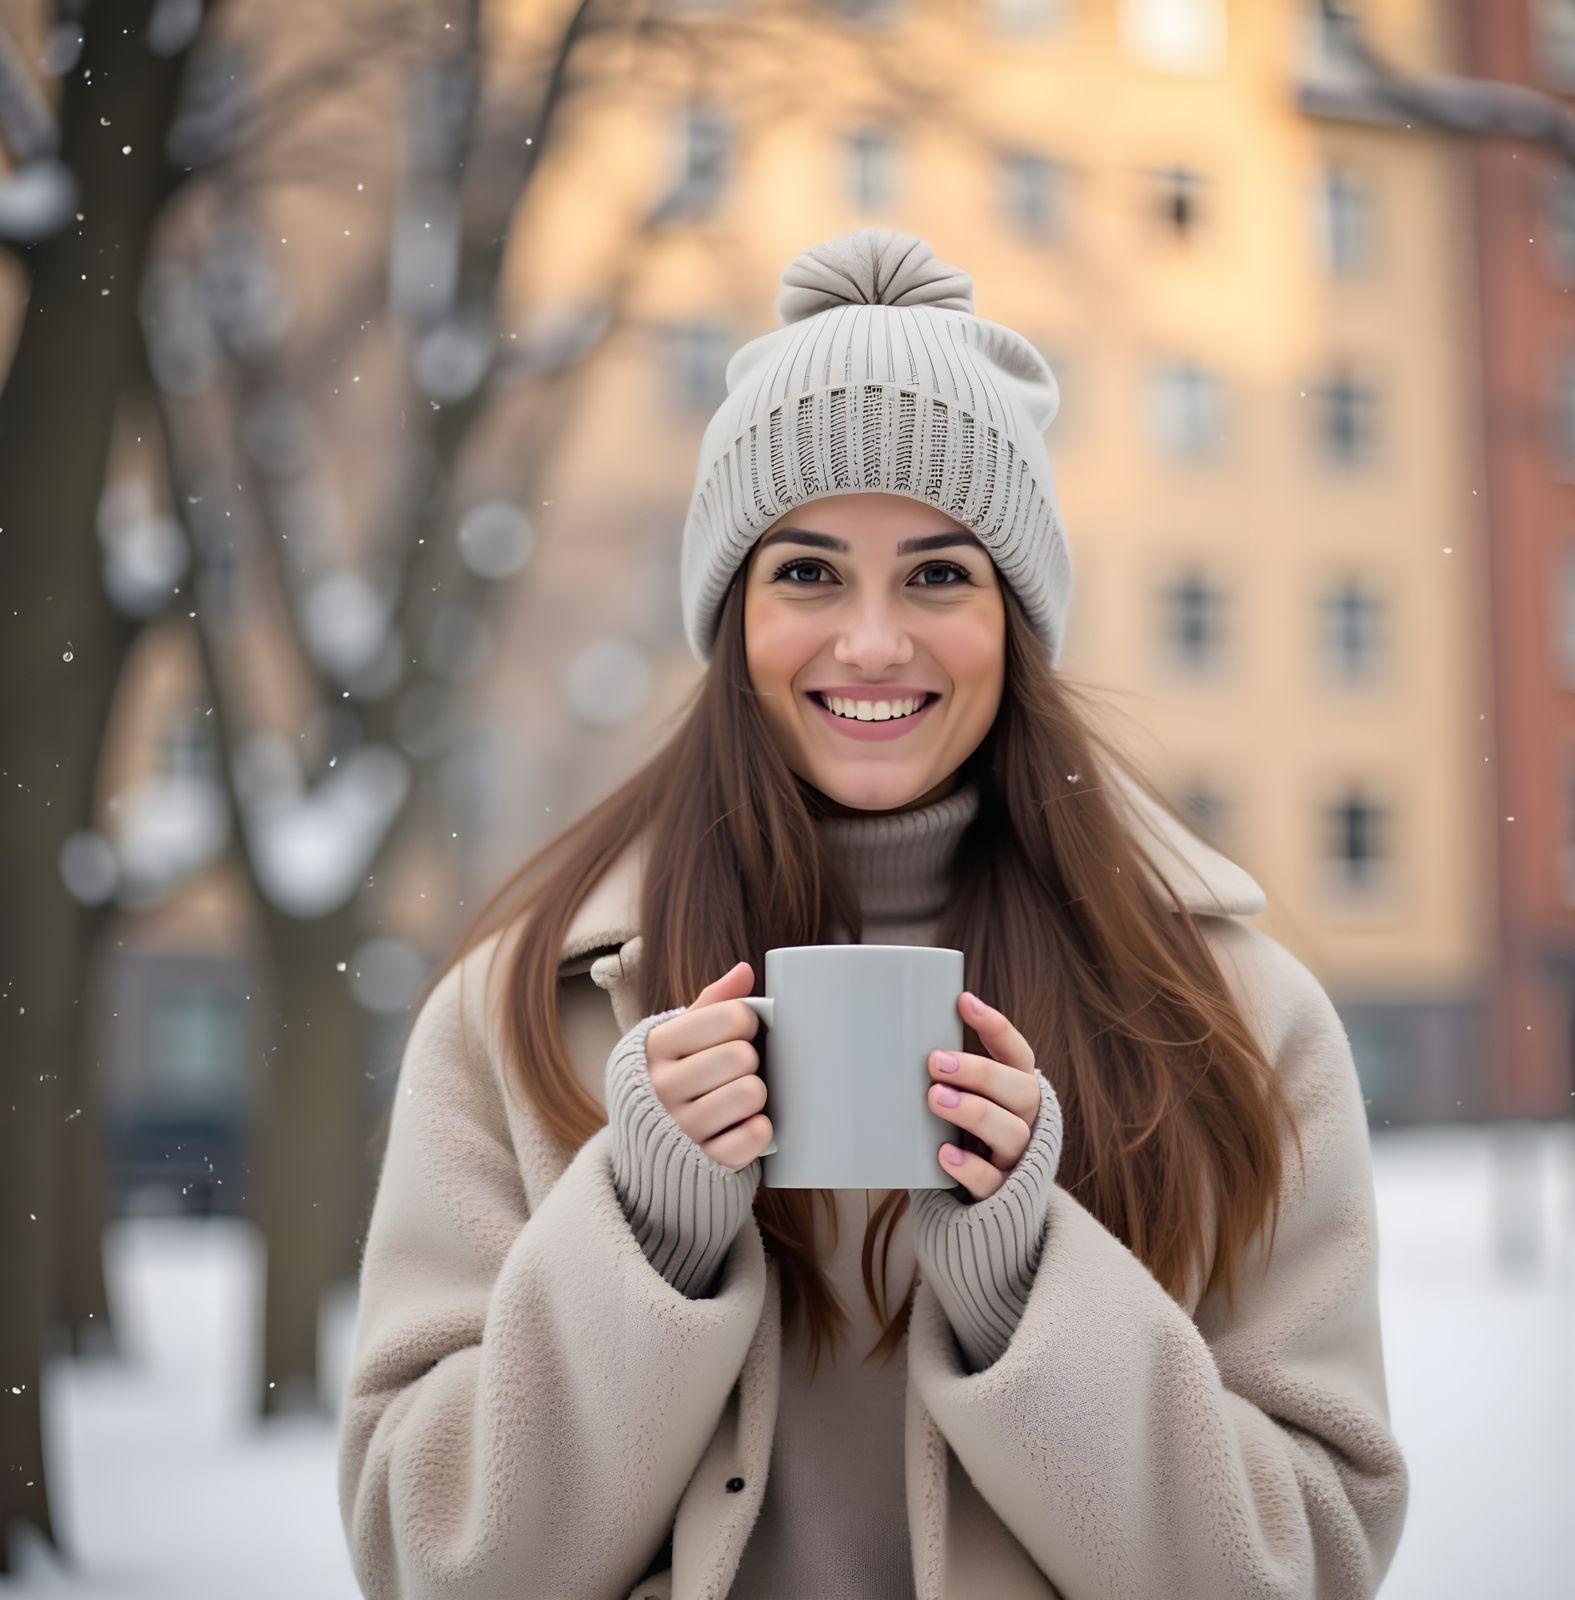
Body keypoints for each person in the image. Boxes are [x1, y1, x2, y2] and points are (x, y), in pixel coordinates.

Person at [336, 228, 1410, 1599]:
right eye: (807, 571)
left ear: (1019, 618)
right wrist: (641, 1233)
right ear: (730, 613)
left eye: (941, 574)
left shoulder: (1235, 1018)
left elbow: (1308, 1564)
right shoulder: (523, 1008)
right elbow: (427, 1560)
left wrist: (1028, 1279)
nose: (873, 644)